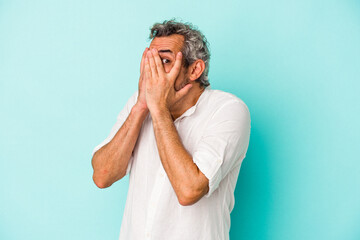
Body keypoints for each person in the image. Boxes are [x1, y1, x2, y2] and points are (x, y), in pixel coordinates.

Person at [91, 19, 251, 240]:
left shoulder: (228, 110)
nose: (152, 71)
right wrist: (140, 107)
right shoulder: (139, 103)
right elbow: (102, 176)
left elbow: (189, 190)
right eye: (150, 60)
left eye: (164, 60)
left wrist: (158, 110)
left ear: (195, 69)